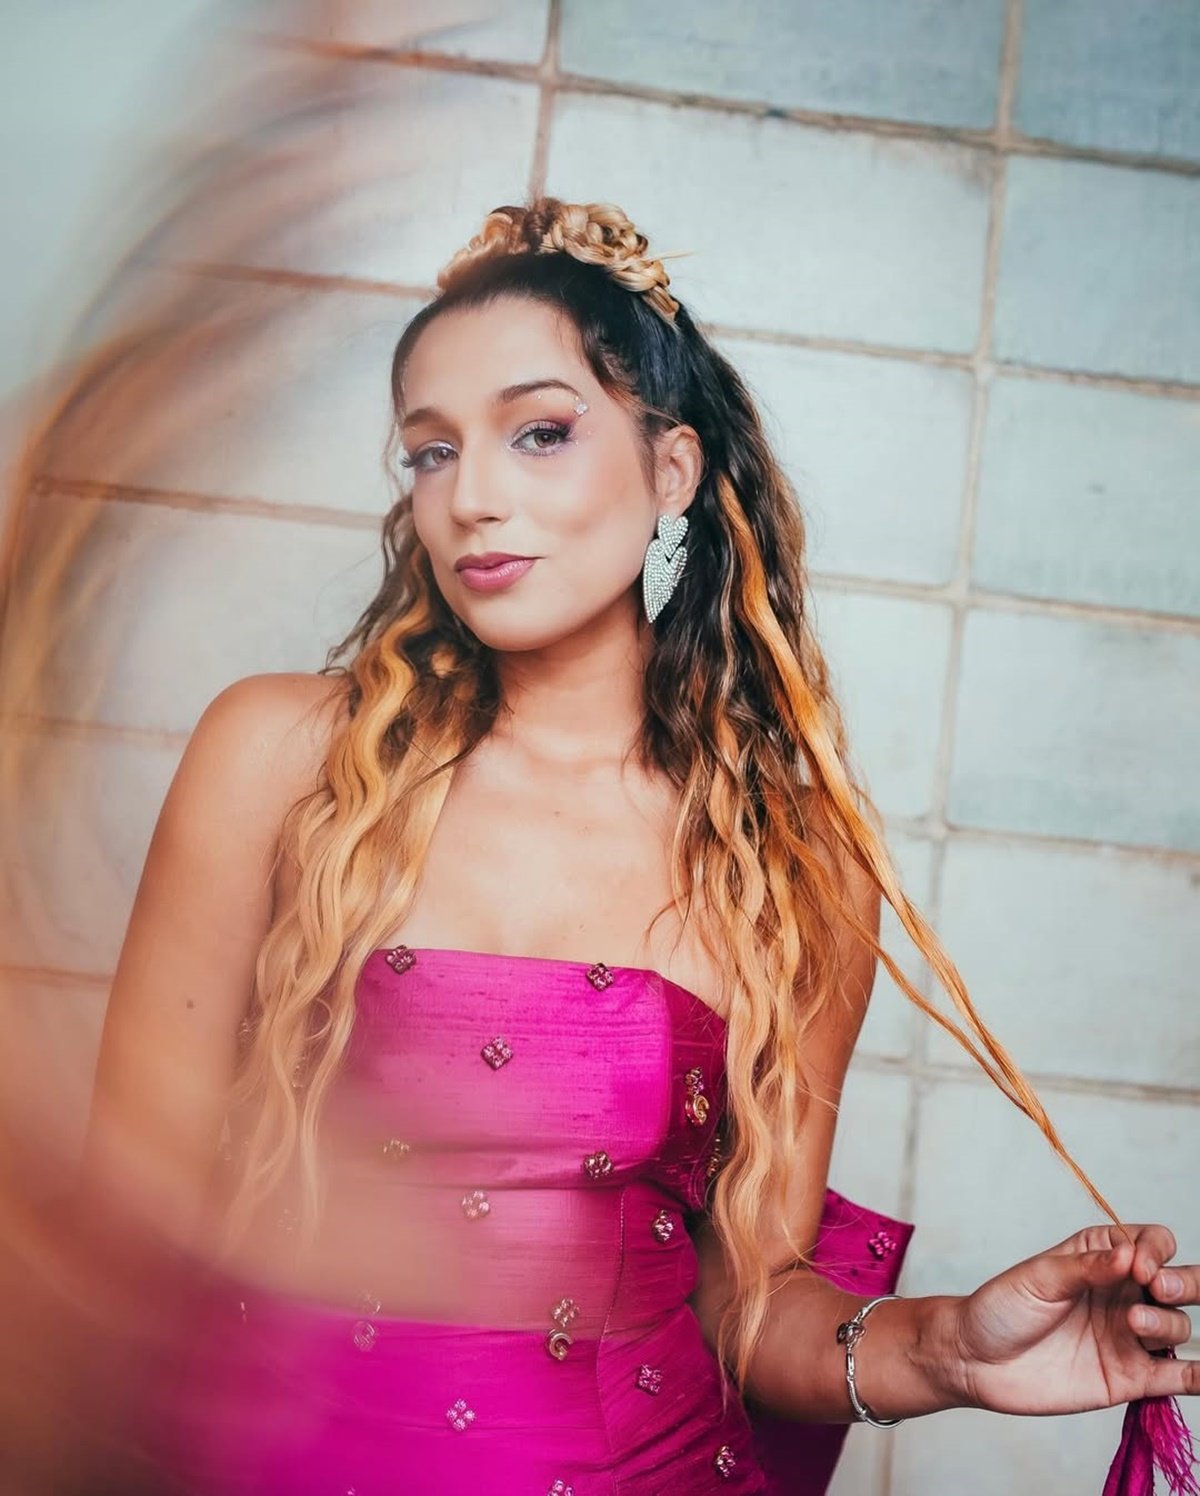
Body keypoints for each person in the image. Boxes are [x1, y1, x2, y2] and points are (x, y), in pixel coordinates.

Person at [73, 197, 1197, 1496]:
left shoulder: (793, 865)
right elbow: (121, 1231)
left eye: (540, 432)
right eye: (431, 452)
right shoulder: (276, 757)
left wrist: (946, 1350)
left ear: (672, 471)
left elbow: (751, 1303)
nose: (472, 498)